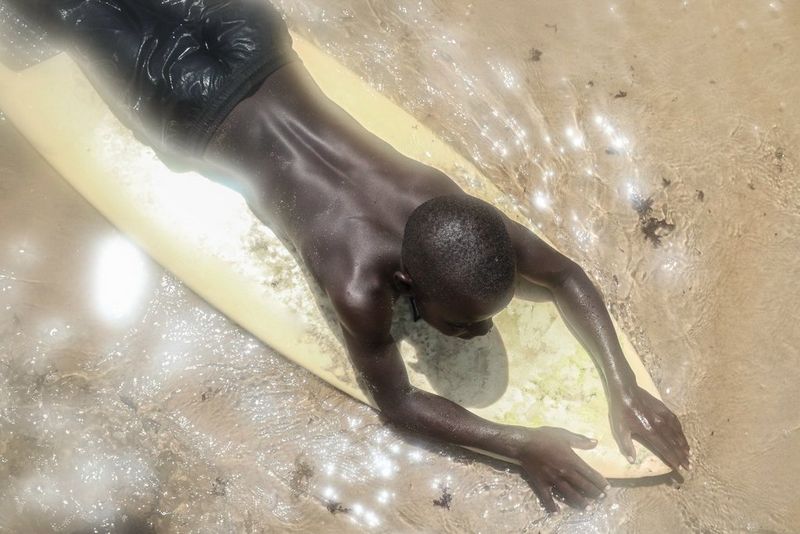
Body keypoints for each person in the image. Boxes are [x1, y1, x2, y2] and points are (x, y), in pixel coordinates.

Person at [15, 0, 690, 512]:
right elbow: (397, 403)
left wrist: (622, 383)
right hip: (182, 102)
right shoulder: (355, 280)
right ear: (403, 279)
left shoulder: (444, 209)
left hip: (251, 35)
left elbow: (565, 274)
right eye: (456, 321)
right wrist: (520, 445)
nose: (472, 333)